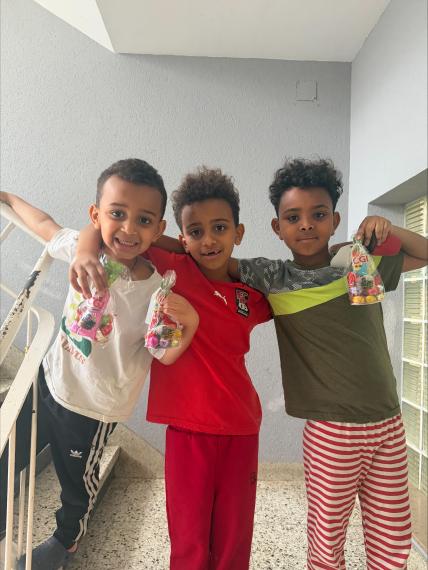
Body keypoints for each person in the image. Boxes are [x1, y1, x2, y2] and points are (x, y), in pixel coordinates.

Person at [0, 158, 199, 570]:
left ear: (158, 229)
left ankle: (65, 540)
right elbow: (45, 224)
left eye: (144, 220)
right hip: (48, 382)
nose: (129, 228)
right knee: (5, 455)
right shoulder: (83, 252)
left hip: (94, 410)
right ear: (96, 215)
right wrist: (6, 197)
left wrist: (191, 324)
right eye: (117, 214)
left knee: (77, 486)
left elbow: (164, 353)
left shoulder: (155, 291)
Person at [71, 166, 272, 570]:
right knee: (189, 539)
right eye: (196, 231)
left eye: (220, 228)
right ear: (181, 237)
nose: (208, 239)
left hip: (242, 427)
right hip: (186, 430)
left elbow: (307, 283)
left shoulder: (253, 294)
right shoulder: (170, 266)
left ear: (239, 232)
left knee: (234, 540)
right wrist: (84, 252)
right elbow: (110, 231)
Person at [230, 158, 428, 569]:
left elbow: (424, 253)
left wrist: (389, 228)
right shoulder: (273, 277)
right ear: (277, 227)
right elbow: (207, 258)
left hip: (388, 424)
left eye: (318, 214)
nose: (306, 225)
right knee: (327, 541)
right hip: (331, 434)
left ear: (335, 220)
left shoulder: (359, 263)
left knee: (393, 540)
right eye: (293, 217)